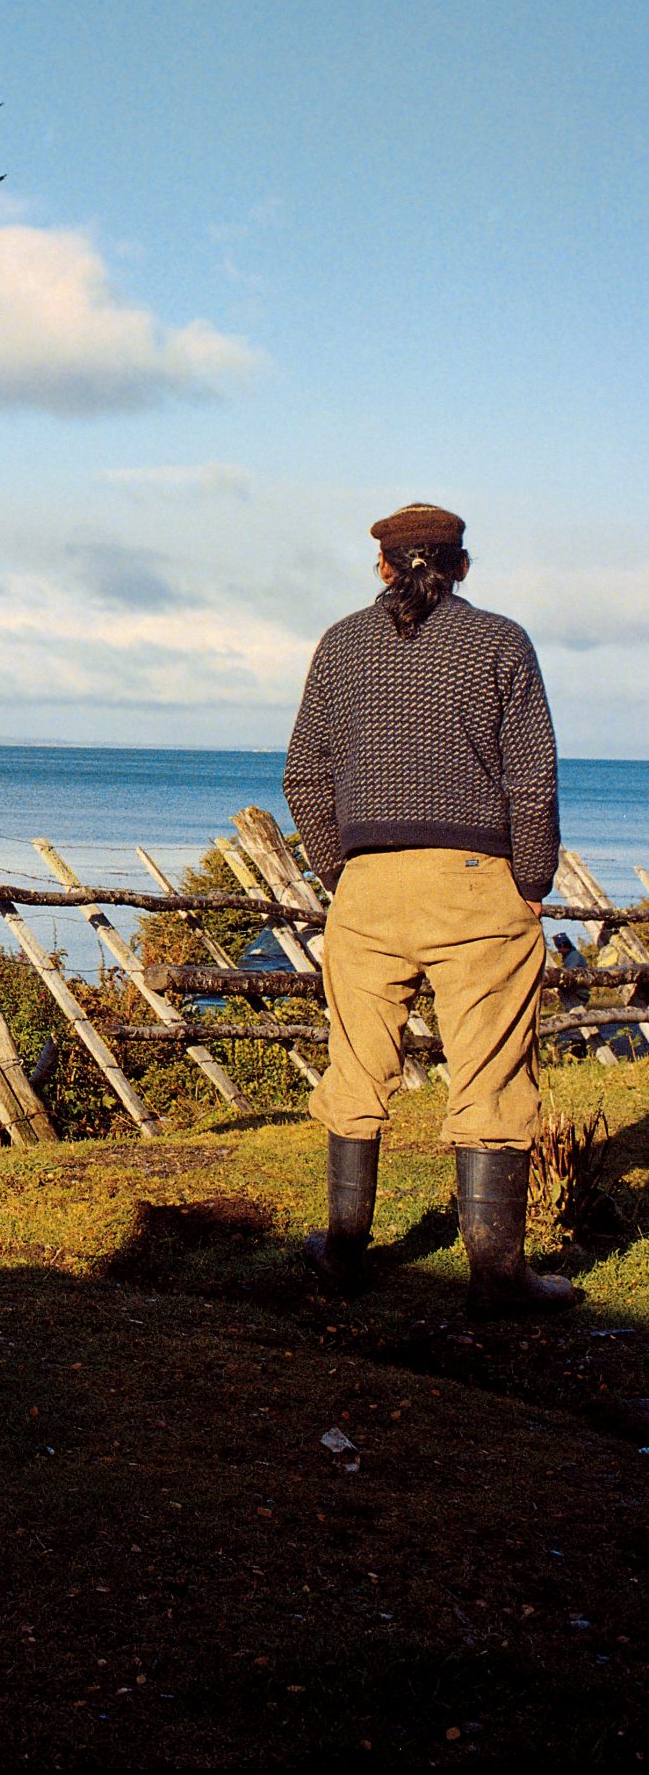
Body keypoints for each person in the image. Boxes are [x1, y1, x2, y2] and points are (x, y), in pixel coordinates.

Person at [284, 501, 572, 1315]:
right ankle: (496, 1276)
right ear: (462, 565)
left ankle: (343, 1252)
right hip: (476, 881)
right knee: (490, 1069)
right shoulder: (499, 641)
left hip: (368, 882)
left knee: (355, 1063)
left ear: (382, 566)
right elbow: (531, 779)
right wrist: (531, 881)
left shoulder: (340, 643)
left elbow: (304, 774)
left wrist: (340, 870)